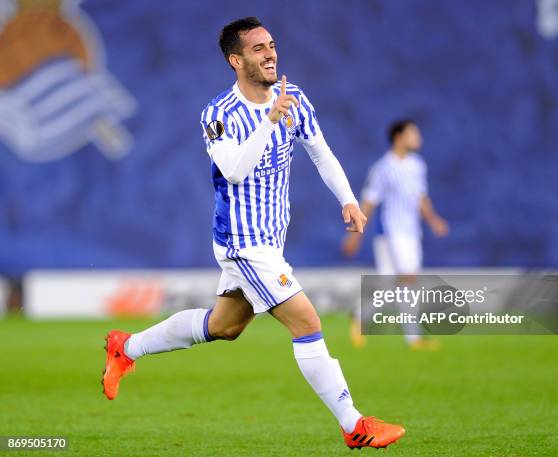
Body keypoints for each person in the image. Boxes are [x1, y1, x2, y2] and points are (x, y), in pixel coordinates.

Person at [101, 17, 405, 450]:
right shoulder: (218, 115)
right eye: (259, 48)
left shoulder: (292, 97)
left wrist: (348, 199)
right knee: (307, 323)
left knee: (223, 326)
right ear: (236, 59)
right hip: (243, 244)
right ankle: (354, 425)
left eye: (272, 45)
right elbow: (235, 170)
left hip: (269, 241)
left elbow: (321, 152)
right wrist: (269, 122)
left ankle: (126, 348)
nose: (270, 54)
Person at [343, 119, 449, 349]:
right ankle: (414, 338)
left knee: (391, 285)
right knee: (408, 280)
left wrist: (433, 220)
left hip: (411, 232)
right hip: (391, 232)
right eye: (413, 133)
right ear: (399, 137)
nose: (418, 137)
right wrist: (356, 234)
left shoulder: (418, 165)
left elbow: (420, 197)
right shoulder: (383, 168)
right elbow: (369, 203)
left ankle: (360, 315)